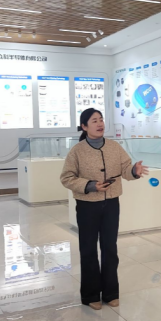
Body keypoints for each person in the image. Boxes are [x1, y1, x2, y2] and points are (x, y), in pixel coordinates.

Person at [60, 108, 148, 310]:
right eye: (94, 121)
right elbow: (67, 178)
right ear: (84, 126)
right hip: (87, 205)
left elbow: (125, 169)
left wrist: (134, 171)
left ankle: (110, 293)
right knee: (88, 249)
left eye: (101, 119)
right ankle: (91, 295)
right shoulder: (77, 151)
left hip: (111, 204)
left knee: (110, 248)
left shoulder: (114, 147)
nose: (100, 124)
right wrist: (91, 185)